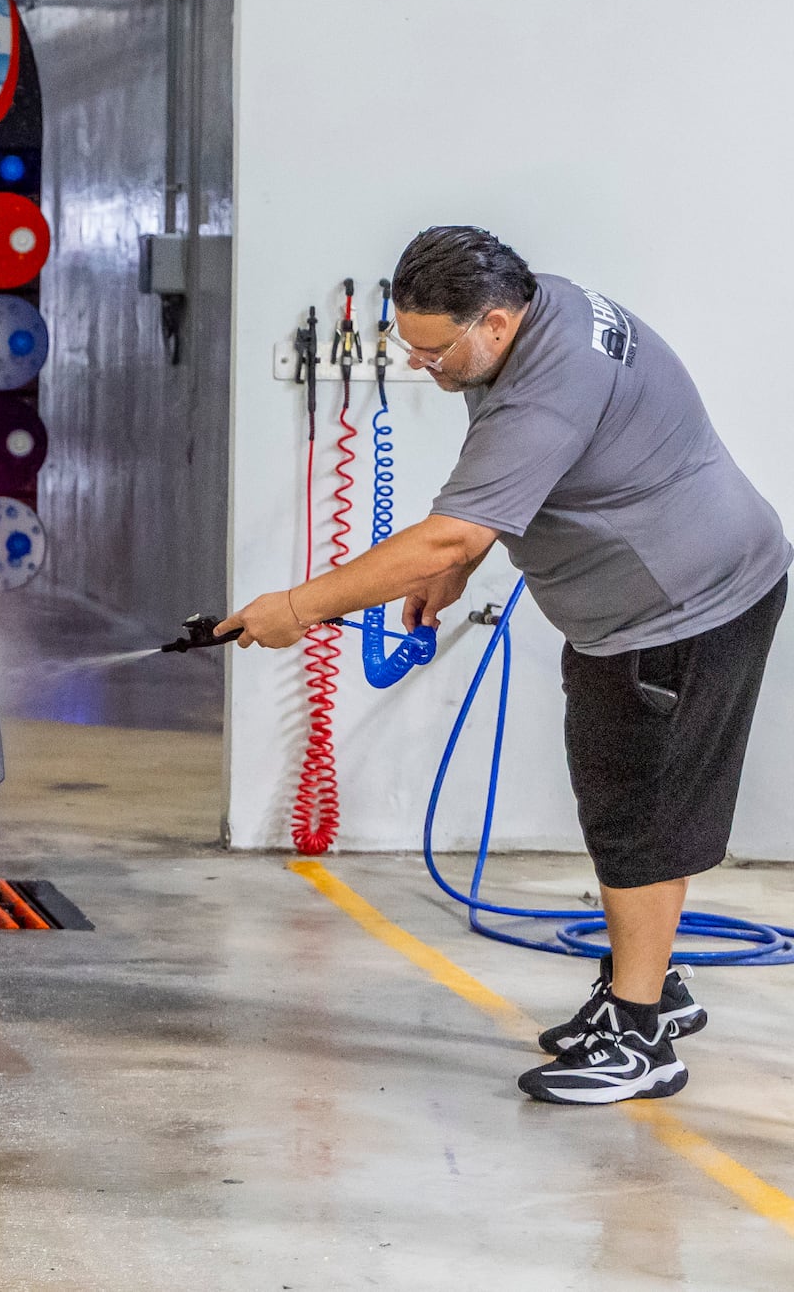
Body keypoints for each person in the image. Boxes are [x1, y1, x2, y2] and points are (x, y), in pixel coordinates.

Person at [222, 227, 788, 1106]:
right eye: (407, 345)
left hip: (681, 607)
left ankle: (640, 1036)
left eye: (433, 351)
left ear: (492, 321)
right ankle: (649, 987)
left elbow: (452, 529)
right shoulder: (533, 311)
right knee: (627, 797)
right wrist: (459, 564)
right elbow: (504, 488)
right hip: (666, 597)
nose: (421, 366)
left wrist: (298, 607)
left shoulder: (547, 383)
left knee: (639, 816)